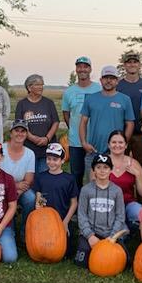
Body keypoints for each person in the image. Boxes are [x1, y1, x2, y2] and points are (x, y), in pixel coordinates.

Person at [79, 65, 135, 182]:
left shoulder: (125, 99)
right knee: (92, 185)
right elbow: (83, 122)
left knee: (115, 184)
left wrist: (122, 144)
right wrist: (84, 143)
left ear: (117, 81)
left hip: (115, 152)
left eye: (112, 78)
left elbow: (130, 123)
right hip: (94, 151)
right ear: (101, 80)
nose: (108, 81)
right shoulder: (91, 98)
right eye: (106, 78)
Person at [74, 153, 128, 268]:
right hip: (92, 233)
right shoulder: (86, 190)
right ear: (93, 170)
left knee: (124, 260)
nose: (102, 171)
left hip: (110, 234)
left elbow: (120, 216)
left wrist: (112, 236)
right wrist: (89, 235)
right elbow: (82, 215)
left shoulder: (117, 191)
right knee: (81, 262)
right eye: (98, 167)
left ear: (111, 170)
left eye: (106, 167)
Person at [31, 142, 79, 256]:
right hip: (46, 221)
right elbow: (40, 197)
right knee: (44, 247)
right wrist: (39, 206)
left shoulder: (69, 179)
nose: (51, 162)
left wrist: (65, 222)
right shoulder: (41, 177)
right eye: (49, 159)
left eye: (55, 159)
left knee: (65, 251)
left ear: (62, 160)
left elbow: (74, 203)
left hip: (63, 219)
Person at [61, 56, 101, 188]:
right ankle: (76, 199)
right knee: (76, 175)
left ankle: (93, 199)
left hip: (95, 140)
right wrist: (74, 129)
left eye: (85, 66)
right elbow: (66, 114)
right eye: (79, 66)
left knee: (96, 175)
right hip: (75, 141)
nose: (82, 69)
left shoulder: (98, 89)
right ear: (76, 69)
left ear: (90, 69)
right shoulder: (69, 92)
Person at [15, 74, 60, 173]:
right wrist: (32, 138)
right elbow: (19, 125)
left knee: (45, 176)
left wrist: (47, 138)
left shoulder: (49, 103)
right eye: (38, 85)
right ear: (29, 87)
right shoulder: (22, 104)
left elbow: (56, 122)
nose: (41, 87)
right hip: (28, 148)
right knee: (30, 177)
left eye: (42, 85)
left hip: (47, 149)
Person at [106, 130, 142, 229]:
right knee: (119, 231)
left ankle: (131, 226)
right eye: (114, 142)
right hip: (108, 205)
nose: (117, 145)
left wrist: (137, 174)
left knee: (139, 212)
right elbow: (92, 189)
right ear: (108, 145)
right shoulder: (102, 164)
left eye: (121, 142)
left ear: (126, 145)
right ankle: (123, 229)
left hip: (129, 203)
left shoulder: (133, 163)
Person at [117, 51, 142, 166]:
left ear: (139, 65)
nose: (132, 64)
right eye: (129, 62)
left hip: (141, 133)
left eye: (135, 62)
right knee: (120, 165)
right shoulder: (118, 85)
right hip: (121, 133)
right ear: (124, 65)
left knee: (141, 166)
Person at [1, 119, 36, 240]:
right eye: (16, 130)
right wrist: (15, 186)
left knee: (31, 198)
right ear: (11, 133)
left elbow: (28, 180)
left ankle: (25, 230)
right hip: (2, 188)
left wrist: (17, 193)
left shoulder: (30, 154)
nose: (19, 134)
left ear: (26, 134)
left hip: (21, 190)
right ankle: (8, 229)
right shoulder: (1, 149)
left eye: (23, 131)